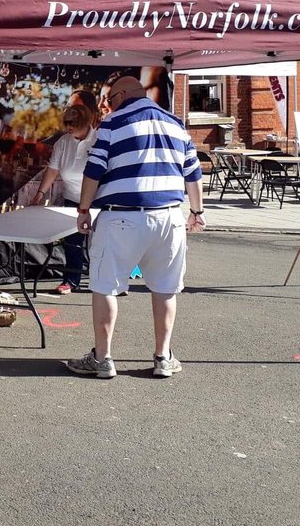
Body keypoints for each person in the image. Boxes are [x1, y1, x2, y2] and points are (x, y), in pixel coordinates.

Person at [65, 76, 205, 380]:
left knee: (104, 286)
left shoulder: (113, 124)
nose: (108, 106)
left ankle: (102, 359)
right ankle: (163, 357)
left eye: (110, 99)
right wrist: (196, 211)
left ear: (123, 94)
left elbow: (94, 170)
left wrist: (84, 209)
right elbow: (193, 173)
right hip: (169, 217)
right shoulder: (176, 123)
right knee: (166, 288)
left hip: (123, 217)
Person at [31, 103, 96, 294]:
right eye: (67, 123)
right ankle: (71, 280)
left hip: (99, 199)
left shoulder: (100, 139)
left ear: (86, 122)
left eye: (73, 123)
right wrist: (40, 192)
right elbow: (52, 170)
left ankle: (111, 282)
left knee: (104, 242)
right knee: (72, 243)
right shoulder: (63, 143)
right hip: (73, 199)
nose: (69, 127)